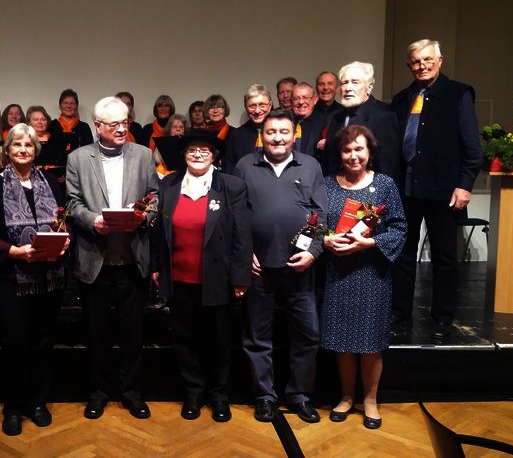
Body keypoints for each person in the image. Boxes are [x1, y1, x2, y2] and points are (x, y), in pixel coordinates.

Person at [66, 96, 159, 420]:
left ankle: (132, 393)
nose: (122, 129)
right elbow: (72, 203)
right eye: (114, 124)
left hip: (133, 260)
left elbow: (154, 197)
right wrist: (93, 221)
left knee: (133, 335)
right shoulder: (79, 158)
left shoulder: (143, 155)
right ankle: (99, 392)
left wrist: (144, 217)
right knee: (97, 335)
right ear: (97, 126)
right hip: (95, 260)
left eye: (125, 122)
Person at [151, 129, 252, 422]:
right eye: (192, 150)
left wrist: (240, 277)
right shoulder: (169, 184)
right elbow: (159, 231)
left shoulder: (231, 186)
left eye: (204, 150)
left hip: (217, 278)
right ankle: (193, 394)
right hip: (179, 278)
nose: (197, 154)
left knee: (218, 342)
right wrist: (157, 267)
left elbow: (242, 234)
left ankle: (219, 396)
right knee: (185, 340)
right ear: (184, 155)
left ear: (214, 156)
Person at [0, 123, 69, 436]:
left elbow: (62, 221)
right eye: (17, 144)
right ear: (8, 150)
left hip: (50, 277)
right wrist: (14, 251)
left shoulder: (51, 183)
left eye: (29, 145)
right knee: (16, 343)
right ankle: (13, 407)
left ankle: (38, 403)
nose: (23, 150)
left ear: (36, 150)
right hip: (12, 278)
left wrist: (64, 240)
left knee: (43, 342)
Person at [235, 108, 327, 424]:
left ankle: (300, 395)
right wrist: (244, 253)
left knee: (307, 335)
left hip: (299, 267)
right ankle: (264, 396)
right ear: (262, 135)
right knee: (257, 337)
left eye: (284, 132)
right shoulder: (245, 165)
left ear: (294, 135)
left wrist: (313, 252)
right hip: (258, 268)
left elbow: (320, 214)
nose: (277, 138)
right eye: (271, 132)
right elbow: (235, 215)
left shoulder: (311, 166)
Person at [390, 39, 482, 342]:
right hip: (406, 188)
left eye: (428, 59)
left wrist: (465, 185)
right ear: (409, 65)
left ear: (440, 60)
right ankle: (400, 313)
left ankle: (442, 317)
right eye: (416, 61)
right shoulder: (402, 98)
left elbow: (472, 147)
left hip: (445, 190)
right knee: (403, 254)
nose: (422, 66)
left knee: (444, 257)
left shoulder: (458, 94)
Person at [321, 125, 406, 429]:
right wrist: (325, 240)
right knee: (342, 342)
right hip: (338, 274)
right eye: (347, 150)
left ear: (369, 152)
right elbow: (314, 223)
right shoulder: (327, 184)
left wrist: (368, 243)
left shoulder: (385, 185)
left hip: (372, 274)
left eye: (359, 149)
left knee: (370, 343)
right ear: (339, 153)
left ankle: (370, 400)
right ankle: (346, 397)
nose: (353, 155)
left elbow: (399, 228)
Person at [321, 62, 401, 182]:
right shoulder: (336, 118)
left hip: (369, 190)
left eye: (355, 82)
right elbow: (329, 161)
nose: (348, 88)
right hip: (336, 187)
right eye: (344, 83)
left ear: (369, 87)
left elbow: (388, 167)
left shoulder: (384, 116)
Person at [223, 84, 273, 174]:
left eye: (262, 105)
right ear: (246, 107)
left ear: (270, 106)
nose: (257, 111)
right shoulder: (235, 137)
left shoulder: (281, 134)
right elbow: (229, 172)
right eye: (252, 106)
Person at [291, 82, 327, 156]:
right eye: (296, 98)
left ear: (315, 99)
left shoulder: (325, 122)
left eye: (305, 97)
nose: (301, 102)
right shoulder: (285, 122)